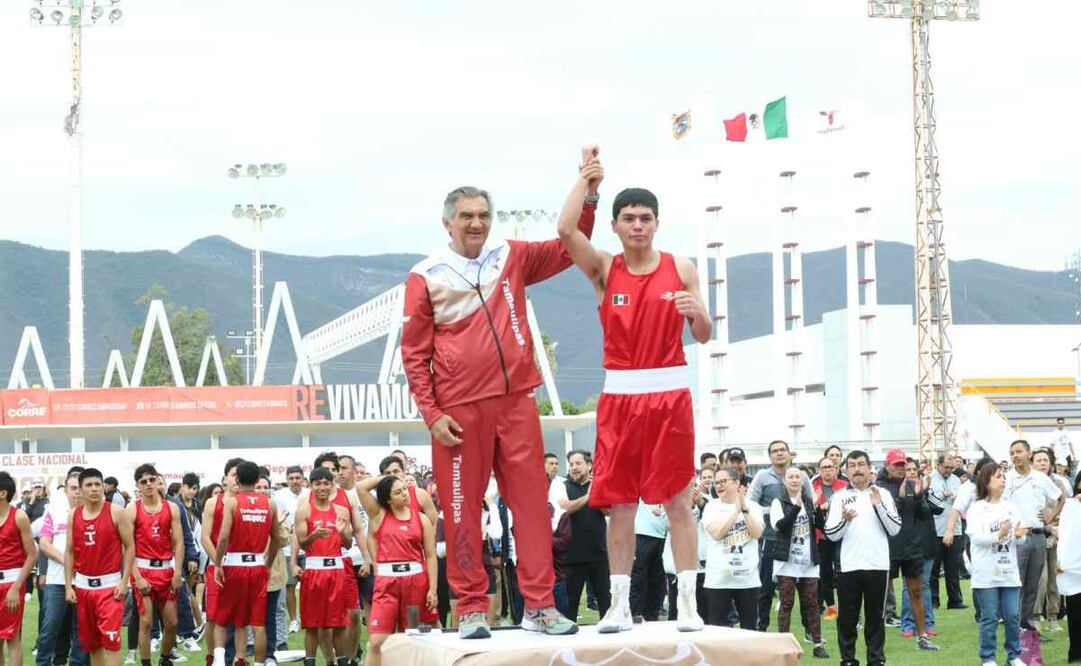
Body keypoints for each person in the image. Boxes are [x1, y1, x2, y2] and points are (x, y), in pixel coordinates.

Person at [400, 152, 599, 639]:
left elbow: (569, 245)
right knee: (464, 510)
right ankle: (470, 607)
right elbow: (413, 352)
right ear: (447, 222)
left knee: (532, 506)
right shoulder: (425, 275)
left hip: (516, 401)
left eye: (483, 215)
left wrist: (589, 193)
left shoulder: (511, 256)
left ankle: (540, 606)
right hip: (458, 411)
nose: (476, 223)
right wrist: (431, 414)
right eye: (466, 216)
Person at [557, 151, 710, 633]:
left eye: (646, 218)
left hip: (669, 391)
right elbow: (565, 232)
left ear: (657, 223)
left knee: (677, 501)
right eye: (629, 219)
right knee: (619, 504)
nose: (638, 225)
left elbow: (704, 334)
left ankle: (688, 601)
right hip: (621, 394)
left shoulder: (681, 267)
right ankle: (619, 605)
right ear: (617, 225)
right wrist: (588, 182)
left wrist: (696, 314)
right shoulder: (604, 267)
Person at [824, 450, 901, 666]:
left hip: (877, 564)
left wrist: (879, 506)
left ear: (869, 468)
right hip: (849, 565)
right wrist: (845, 521)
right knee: (847, 618)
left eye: (861, 464)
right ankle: (848, 659)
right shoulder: (839, 497)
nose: (857, 469)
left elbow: (895, 529)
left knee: (875, 617)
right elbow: (831, 534)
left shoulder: (882, 494)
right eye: (852, 465)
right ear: (846, 470)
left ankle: (876, 659)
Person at [354, 475, 437, 666]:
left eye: (405, 489)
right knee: (377, 641)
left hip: (415, 583)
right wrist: (389, 477)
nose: (405, 494)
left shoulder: (421, 519)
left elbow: (431, 556)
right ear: (388, 499)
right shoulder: (379, 514)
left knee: (413, 640)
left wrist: (432, 588)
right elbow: (360, 488)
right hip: (387, 583)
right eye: (398, 492)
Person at [211, 461, 282, 666]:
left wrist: (217, 564)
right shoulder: (270, 503)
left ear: (238, 479)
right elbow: (276, 538)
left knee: (223, 617)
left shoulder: (232, 502)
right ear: (257, 479)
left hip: (234, 564)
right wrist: (267, 563)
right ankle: (253, 662)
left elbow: (223, 537)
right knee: (257, 622)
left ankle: (218, 661)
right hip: (258, 565)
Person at [66, 468, 135, 666]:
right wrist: (69, 585)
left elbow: (129, 547)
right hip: (83, 588)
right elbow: (70, 551)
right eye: (89, 485)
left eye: (98, 484)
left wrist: (124, 582)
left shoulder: (116, 511)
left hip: (109, 588)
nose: (94, 488)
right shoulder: (73, 515)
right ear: (80, 489)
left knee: (112, 643)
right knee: (92, 645)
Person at [748, 440, 814, 632]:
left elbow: (811, 502)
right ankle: (762, 627)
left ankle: (810, 630)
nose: (779, 453)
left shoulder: (800, 475)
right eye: (775, 451)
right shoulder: (762, 476)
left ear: (789, 453)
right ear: (769, 456)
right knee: (766, 585)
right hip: (771, 537)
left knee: (805, 586)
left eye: (782, 450)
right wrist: (775, 510)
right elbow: (750, 504)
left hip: (799, 540)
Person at [876, 449, 939, 651]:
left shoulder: (913, 484)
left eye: (903, 464)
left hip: (911, 546)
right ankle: (876, 640)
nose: (901, 468)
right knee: (880, 594)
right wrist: (901, 499)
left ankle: (922, 636)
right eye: (897, 464)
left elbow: (923, 515)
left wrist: (920, 496)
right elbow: (884, 515)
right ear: (887, 465)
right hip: (887, 546)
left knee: (916, 591)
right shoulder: (879, 487)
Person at [968, 463, 1027, 666]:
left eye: (1003, 476)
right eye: (998, 476)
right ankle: (988, 657)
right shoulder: (977, 508)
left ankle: (1014, 655)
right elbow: (976, 538)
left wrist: (1019, 536)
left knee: (1012, 615)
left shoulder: (1010, 507)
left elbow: (1020, 539)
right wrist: (998, 535)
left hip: (1008, 571)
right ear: (986, 481)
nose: (1003, 480)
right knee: (989, 617)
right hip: (986, 573)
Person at [126, 465, 183, 666]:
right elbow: (127, 546)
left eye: (152, 480)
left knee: (172, 622)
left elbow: (178, 542)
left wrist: (177, 572)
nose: (149, 484)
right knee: (146, 621)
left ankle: (165, 659)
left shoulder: (172, 508)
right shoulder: (133, 508)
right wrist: (137, 576)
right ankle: (146, 663)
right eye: (144, 481)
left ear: (158, 481)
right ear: (138, 486)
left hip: (166, 569)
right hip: (143, 568)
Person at [1004, 439, 1064, 631]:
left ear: (1029, 454)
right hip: (1018, 537)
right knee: (1016, 583)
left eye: (1019, 451)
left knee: (1033, 585)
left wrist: (1050, 516)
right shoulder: (1007, 478)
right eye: (1012, 452)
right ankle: (1014, 626)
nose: (1015, 455)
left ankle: (1027, 626)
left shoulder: (1040, 478)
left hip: (1038, 536)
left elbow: (1061, 498)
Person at [293, 468, 351, 666]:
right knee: (312, 624)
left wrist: (342, 533)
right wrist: (313, 536)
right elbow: (301, 543)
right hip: (314, 570)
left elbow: (349, 543)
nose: (322, 487)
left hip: (336, 570)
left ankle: (341, 662)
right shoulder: (304, 510)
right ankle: (310, 662)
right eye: (318, 484)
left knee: (339, 623)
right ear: (311, 485)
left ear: (332, 485)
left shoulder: (341, 511)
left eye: (326, 483)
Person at [769, 467, 828, 659]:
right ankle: (783, 645)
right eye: (791, 477)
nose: (795, 480)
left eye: (798, 477)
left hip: (808, 561)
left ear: (803, 481)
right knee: (786, 603)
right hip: (787, 561)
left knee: (812, 603)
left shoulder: (809, 502)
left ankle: (818, 644)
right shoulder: (779, 502)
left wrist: (819, 510)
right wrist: (796, 507)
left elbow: (820, 526)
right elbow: (780, 526)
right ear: (784, 481)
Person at [548, 451, 609, 625]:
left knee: (605, 602)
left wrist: (597, 493)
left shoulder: (597, 485)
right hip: (572, 556)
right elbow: (565, 507)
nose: (574, 468)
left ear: (589, 465)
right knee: (570, 606)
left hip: (599, 554)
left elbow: (608, 511)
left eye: (578, 463)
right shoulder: (562, 485)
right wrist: (589, 497)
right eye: (571, 464)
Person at [702, 468, 763, 630]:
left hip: (747, 579)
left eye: (723, 481)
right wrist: (736, 510)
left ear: (736, 483)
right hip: (719, 579)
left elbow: (757, 533)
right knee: (717, 628)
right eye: (716, 483)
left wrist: (744, 509)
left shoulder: (753, 506)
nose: (719, 486)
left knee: (749, 628)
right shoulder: (711, 507)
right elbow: (717, 533)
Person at [37, 472, 87, 666]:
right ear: (65, 489)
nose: (77, 493)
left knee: (81, 631)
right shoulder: (53, 511)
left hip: (85, 582)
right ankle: (43, 663)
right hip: (57, 582)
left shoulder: (93, 512)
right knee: (49, 629)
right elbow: (44, 543)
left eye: (79, 488)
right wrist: (68, 562)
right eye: (73, 488)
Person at [201, 459, 242, 666]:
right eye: (232, 474)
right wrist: (219, 561)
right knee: (213, 616)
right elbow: (205, 537)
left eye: (239, 475)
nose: (236, 479)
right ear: (225, 478)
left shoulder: (247, 502)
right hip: (216, 565)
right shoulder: (213, 502)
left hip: (240, 566)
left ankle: (237, 657)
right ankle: (212, 657)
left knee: (238, 617)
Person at [899, 458, 943, 642]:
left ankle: (928, 623)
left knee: (924, 585)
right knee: (906, 586)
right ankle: (908, 624)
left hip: (926, 543)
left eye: (913, 469)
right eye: (907, 469)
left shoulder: (926, 490)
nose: (910, 472)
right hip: (906, 545)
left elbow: (938, 508)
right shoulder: (898, 492)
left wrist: (925, 492)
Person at [0, 471, 36, 666]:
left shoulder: (19, 516)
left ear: (2, 493)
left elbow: (32, 554)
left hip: (12, 582)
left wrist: (16, 587)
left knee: (13, 639)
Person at [811, 455, 847, 622]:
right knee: (824, 573)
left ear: (836, 469)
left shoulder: (844, 486)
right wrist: (818, 506)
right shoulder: (813, 488)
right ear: (819, 471)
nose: (827, 470)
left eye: (830, 467)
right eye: (824, 467)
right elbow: (809, 509)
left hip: (842, 536)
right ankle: (831, 608)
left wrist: (829, 506)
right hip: (822, 538)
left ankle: (847, 607)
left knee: (843, 573)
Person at [929, 453, 966, 610]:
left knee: (953, 567)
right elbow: (928, 499)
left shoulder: (956, 480)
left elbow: (962, 500)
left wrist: (954, 496)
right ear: (938, 464)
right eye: (946, 467)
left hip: (955, 529)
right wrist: (942, 496)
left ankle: (955, 600)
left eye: (952, 468)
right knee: (934, 568)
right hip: (935, 530)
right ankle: (933, 600)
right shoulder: (930, 478)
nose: (949, 470)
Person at [272, 466, 304, 636]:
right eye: (291, 478)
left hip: (308, 546)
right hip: (286, 548)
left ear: (303, 478)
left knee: (309, 586)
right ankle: (293, 619)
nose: (295, 481)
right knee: (290, 586)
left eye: (298, 477)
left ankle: (307, 616)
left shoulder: (309, 494)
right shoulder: (279, 496)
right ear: (287, 479)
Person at [1056, 470, 1081, 663]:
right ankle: (1076, 652)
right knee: (1075, 611)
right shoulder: (1071, 507)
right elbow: (1065, 536)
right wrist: (1060, 560)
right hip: (1073, 567)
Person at [629, 501, 668, 622]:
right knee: (638, 578)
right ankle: (635, 614)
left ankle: (652, 617)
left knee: (658, 581)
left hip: (663, 535)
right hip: (641, 533)